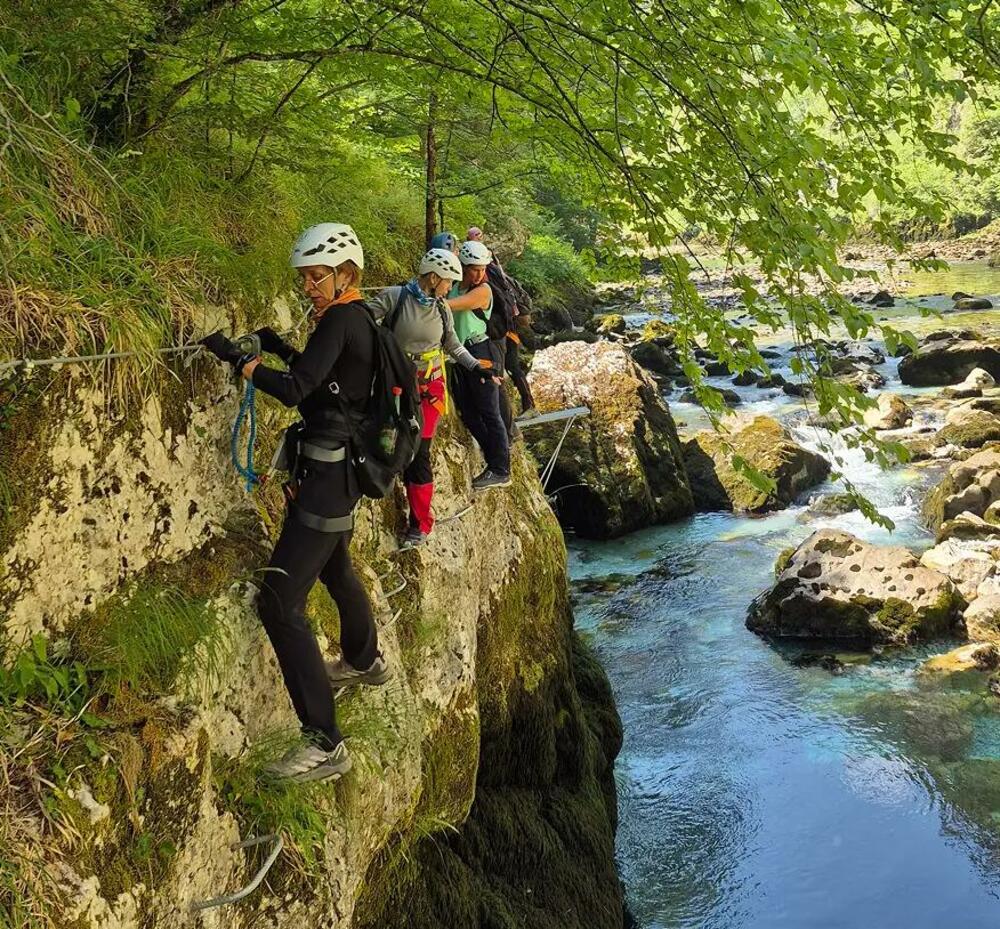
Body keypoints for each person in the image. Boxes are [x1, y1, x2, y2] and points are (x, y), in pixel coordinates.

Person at [201, 222, 387, 783]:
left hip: (328, 476)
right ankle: (363, 659)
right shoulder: (362, 320)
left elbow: (296, 389)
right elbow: (327, 377)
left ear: (345, 275)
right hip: (342, 471)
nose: (308, 287)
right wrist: (279, 346)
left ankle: (324, 743)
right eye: (304, 278)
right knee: (336, 568)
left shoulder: (339, 319)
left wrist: (245, 363)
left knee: (279, 603)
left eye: (316, 277)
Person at [368, 248, 494, 547]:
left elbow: (452, 345)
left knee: (418, 453)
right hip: (394, 384)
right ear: (434, 277)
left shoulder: (441, 308)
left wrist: (476, 367)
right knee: (387, 442)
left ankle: (420, 523)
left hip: (429, 389)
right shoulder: (394, 297)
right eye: (449, 282)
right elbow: (362, 324)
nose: (450, 288)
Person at [447, 239, 511, 490]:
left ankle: (501, 468)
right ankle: (491, 455)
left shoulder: (484, 290)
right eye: (474, 268)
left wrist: (429, 301)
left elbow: (455, 305)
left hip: (479, 350)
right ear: (462, 266)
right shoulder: (453, 286)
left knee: (489, 411)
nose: (479, 273)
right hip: (458, 355)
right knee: (469, 413)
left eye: (483, 268)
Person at [465, 227, 536, 418]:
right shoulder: (490, 263)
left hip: (503, 326)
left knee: (509, 366)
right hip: (503, 324)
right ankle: (522, 409)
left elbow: (498, 297)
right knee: (507, 367)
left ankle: (526, 408)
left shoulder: (486, 267)